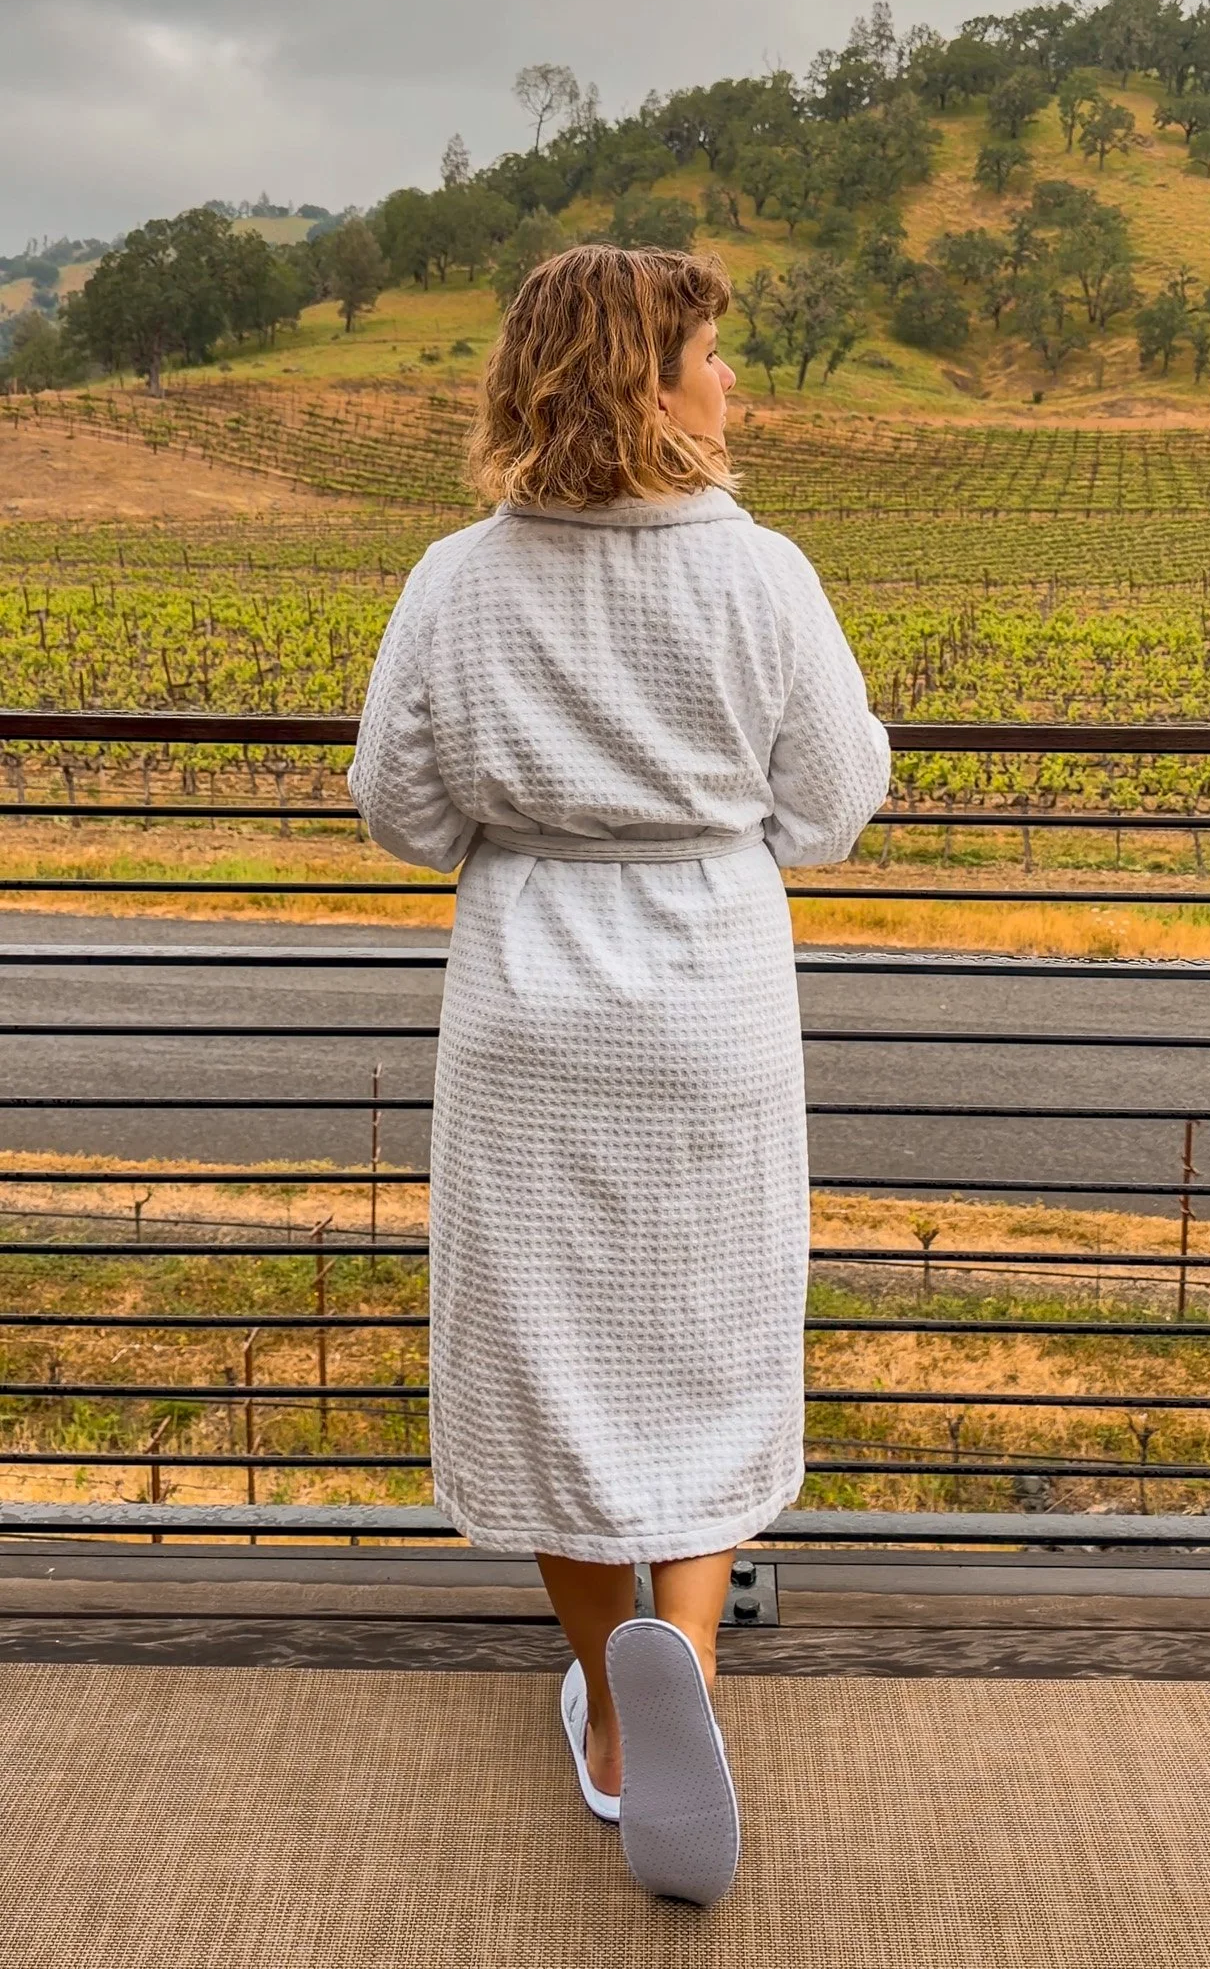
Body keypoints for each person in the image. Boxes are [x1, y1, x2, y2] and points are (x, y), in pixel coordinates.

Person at [349, 244, 891, 1905]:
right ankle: (689, 1677)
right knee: (709, 1321)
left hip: (528, 996)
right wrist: (709, 839)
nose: (737, 386)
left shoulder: (457, 578)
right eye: (714, 358)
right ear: (650, 382)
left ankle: (610, 1705)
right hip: (709, 993)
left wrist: (530, 829)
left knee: (553, 1340)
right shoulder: (765, 576)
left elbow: (400, 808)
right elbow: (831, 802)